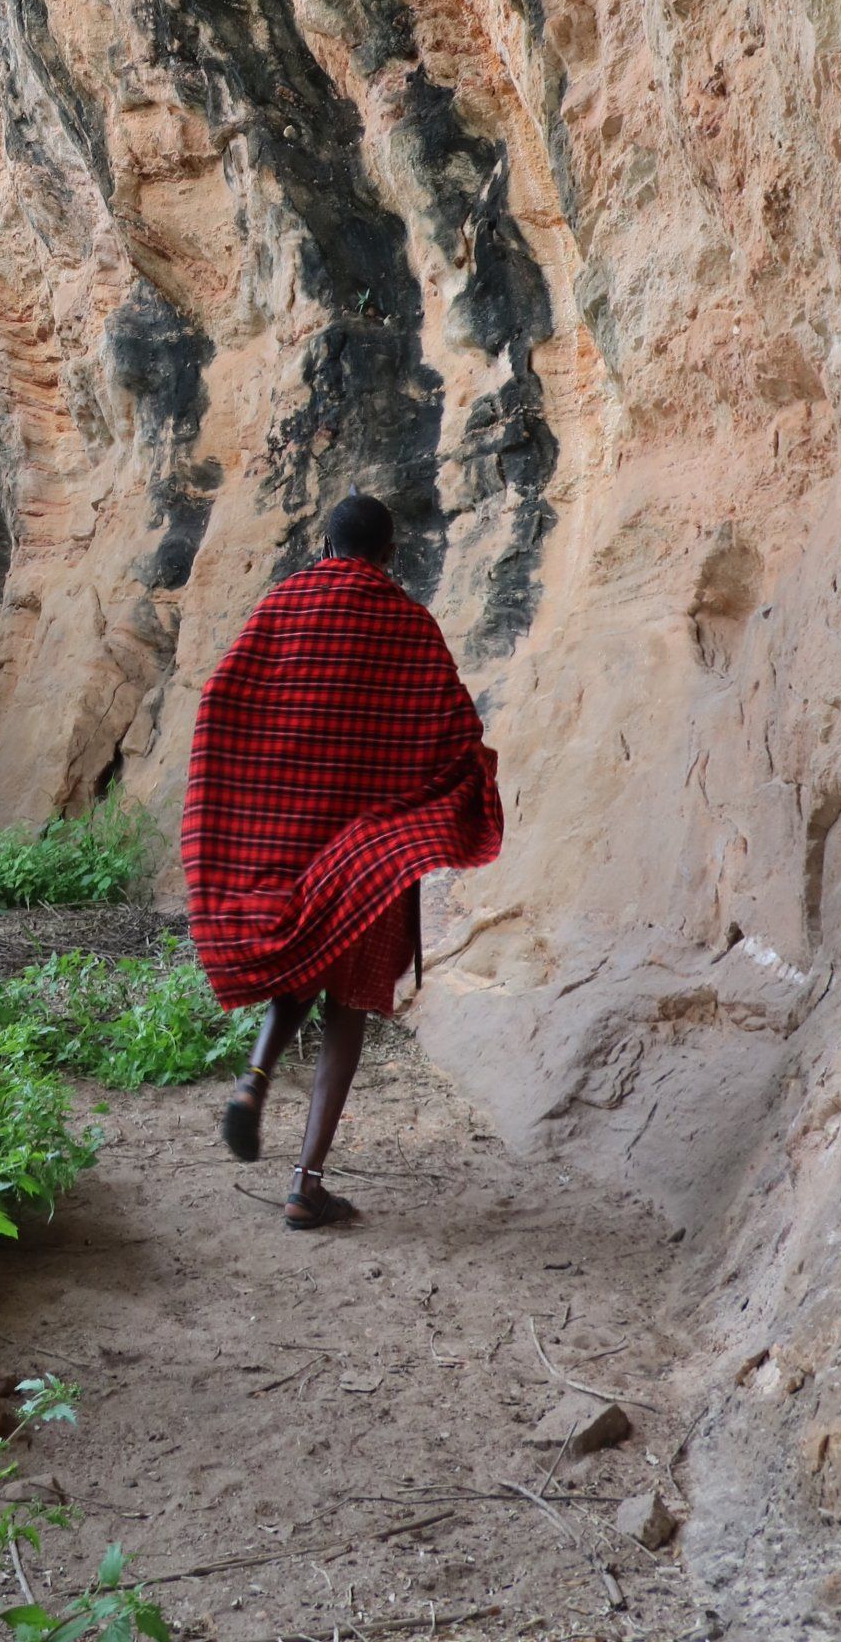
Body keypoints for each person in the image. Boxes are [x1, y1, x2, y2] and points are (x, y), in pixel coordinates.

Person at [181, 491, 502, 1229]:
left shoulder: (281, 606)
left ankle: (254, 1078)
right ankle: (306, 1185)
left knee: (302, 961)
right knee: (348, 1003)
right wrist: (446, 797)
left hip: (291, 835)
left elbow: (223, 700)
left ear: (326, 547)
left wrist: (256, 793)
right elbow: (456, 731)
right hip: (370, 852)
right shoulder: (409, 624)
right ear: (389, 556)